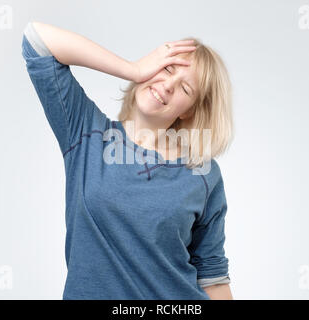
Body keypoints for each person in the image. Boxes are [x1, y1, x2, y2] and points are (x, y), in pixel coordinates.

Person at [21, 21, 234, 300]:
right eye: (167, 68)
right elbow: (37, 40)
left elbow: (212, 277)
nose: (167, 85)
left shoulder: (203, 174)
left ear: (189, 111)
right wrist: (132, 69)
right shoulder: (87, 134)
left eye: (185, 89)